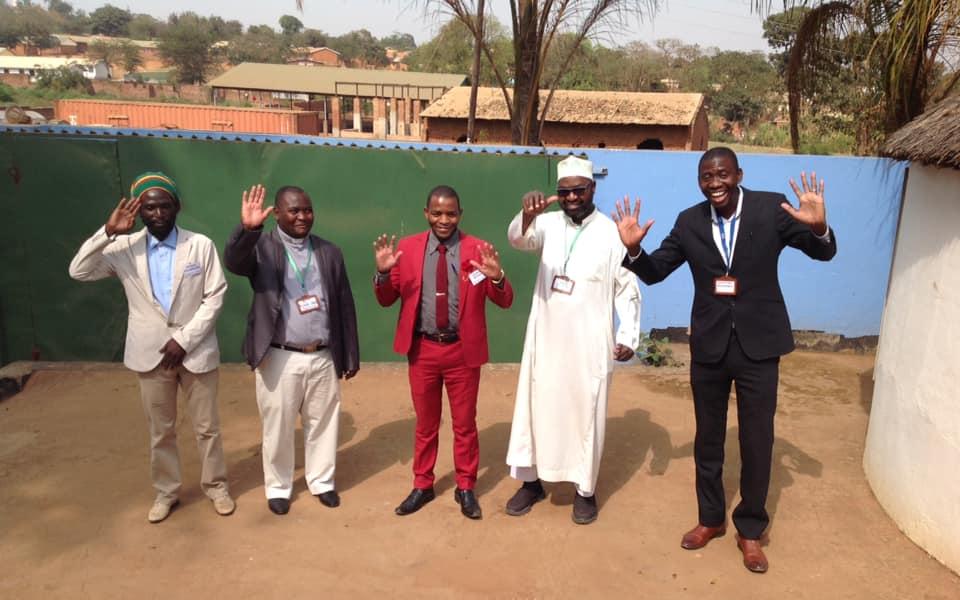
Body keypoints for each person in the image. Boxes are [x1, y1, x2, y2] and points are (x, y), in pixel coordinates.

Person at [613, 147, 837, 573]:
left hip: (759, 346)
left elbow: (822, 252)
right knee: (708, 438)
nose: (714, 183)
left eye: (722, 174)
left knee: (757, 440)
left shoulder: (772, 209)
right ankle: (710, 519)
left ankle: (750, 530)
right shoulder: (688, 221)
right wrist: (635, 252)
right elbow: (658, 269)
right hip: (711, 346)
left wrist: (820, 226)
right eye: (706, 176)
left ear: (738, 174)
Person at [68, 172, 235, 523]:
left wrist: (184, 340)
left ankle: (216, 487)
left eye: (164, 205)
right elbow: (78, 271)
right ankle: (166, 492)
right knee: (161, 431)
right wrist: (108, 232)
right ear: (139, 211)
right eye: (149, 207)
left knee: (207, 427)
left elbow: (215, 296)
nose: (157, 213)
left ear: (177, 207)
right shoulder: (122, 249)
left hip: (195, 351)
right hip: (150, 354)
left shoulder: (199, 245)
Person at [505, 155, 641, 525]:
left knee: (587, 412)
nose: (571, 197)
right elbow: (517, 239)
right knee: (535, 406)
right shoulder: (546, 224)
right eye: (564, 191)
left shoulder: (611, 232)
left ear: (592, 189)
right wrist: (528, 214)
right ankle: (531, 483)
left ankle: (585, 489)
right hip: (546, 338)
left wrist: (628, 333)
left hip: (589, 342)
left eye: (578, 190)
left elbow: (626, 286)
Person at [373, 185, 514, 519]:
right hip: (422, 350)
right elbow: (385, 299)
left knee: (465, 424)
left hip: (462, 352)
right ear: (426, 214)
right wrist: (382, 272)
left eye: (450, 213)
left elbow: (505, 301)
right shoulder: (405, 250)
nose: (444, 219)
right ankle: (422, 485)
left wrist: (497, 279)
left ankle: (466, 486)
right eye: (437, 213)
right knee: (426, 424)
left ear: (460, 215)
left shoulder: (478, 249)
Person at [224, 184, 359, 516]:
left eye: (307, 210)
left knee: (323, 422)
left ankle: (322, 481)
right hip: (280, 354)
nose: (302, 216)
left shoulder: (329, 251)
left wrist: (349, 353)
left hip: (323, 354)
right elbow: (234, 262)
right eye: (294, 210)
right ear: (277, 213)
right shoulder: (262, 247)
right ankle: (279, 487)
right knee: (279, 426)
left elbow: (344, 304)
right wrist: (248, 230)